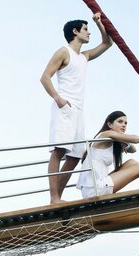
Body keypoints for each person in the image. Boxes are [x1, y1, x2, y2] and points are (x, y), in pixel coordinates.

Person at [41, 13, 113, 204]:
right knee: (59, 151)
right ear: (75, 31)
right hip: (65, 106)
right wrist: (58, 99)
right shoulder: (63, 52)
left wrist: (99, 23)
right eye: (86, 29)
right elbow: (45, 77)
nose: (89, 33)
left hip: (79, 110)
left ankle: (58, 197)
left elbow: (107, 43)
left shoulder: (84, 56)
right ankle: (54, 197)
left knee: (75, 156)